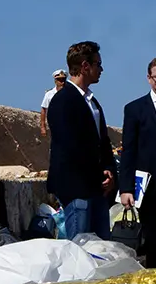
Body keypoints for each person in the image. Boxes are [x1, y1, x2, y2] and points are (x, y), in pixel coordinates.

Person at [47, 40, 116, 237]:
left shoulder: (92, 103)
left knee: (102, 250)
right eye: (97, 64)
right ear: (85, 66)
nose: (101, 69)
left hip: (96, 189)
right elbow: (69, 148)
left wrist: (110, 171)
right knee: (80, 249)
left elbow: (102, 143)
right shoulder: (62, 101)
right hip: (77, 188)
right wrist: (96, 176)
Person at [118, 57, 156, 267]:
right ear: (149, 79)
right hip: (150, 185)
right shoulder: (135, 109)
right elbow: (128, 151)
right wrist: (126, 188)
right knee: (153, 241)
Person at [39, 69, 66, 135]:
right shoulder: (49, 94)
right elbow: (43, 109)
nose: (62, 82)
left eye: (63, 80)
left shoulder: (70, 93)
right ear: (55, 81)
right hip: (54, 124)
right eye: (60, 80)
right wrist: (43, 126)